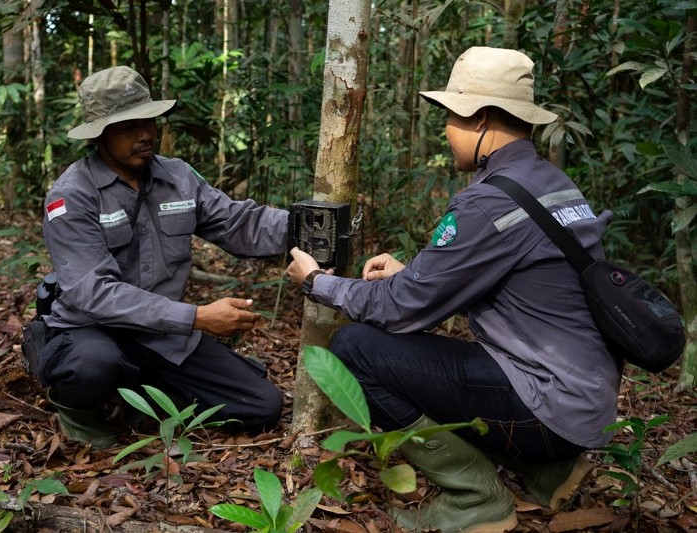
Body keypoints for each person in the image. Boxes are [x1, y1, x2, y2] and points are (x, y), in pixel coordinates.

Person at [286, 46, 621, 533]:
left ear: (481, 118)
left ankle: (475, 498)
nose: (445, 130)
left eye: (450, 117)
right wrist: (413, 273)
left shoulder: (490, 203)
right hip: (585, 400)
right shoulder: (549, 182)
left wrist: (319, 282)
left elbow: (401, 311)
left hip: (549, 405)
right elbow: (519, 285)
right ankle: (546, 470)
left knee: (354, 349)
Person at [37, 66, 288, 448]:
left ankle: (142, 391)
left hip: (160, 332)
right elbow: (94, 293)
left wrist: (307, 224)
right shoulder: (71, 195)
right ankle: (80, 411)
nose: (145, 134)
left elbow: (240, 224)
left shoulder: (178, 176)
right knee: (94, 365)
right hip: (94, 329)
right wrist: (198, 318)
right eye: (128, 127)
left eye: (150, 121)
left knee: (262, 406)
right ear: (100, 134)